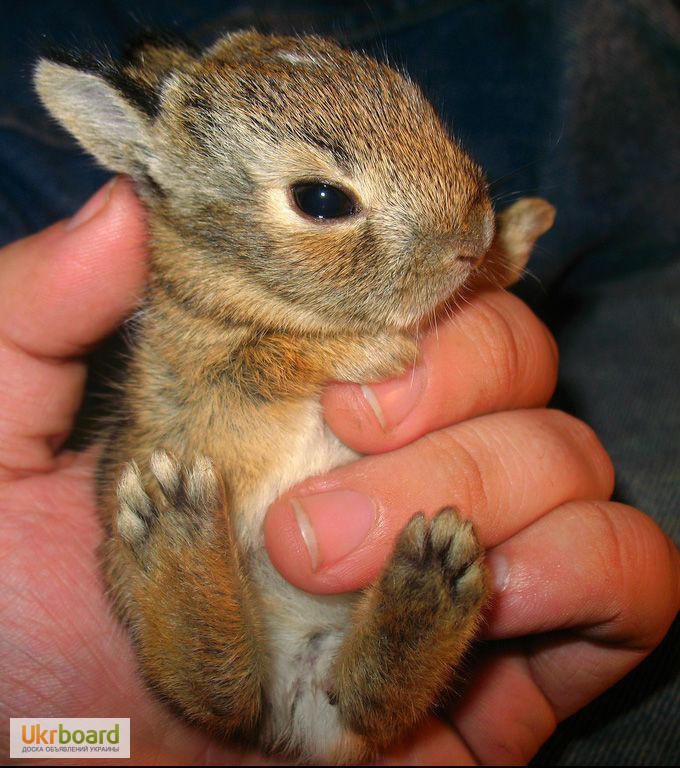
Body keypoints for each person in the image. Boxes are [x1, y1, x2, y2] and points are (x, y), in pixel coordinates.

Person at [1, 1, 678, 764]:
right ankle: (197, 593)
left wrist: (487, 268)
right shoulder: (196, 316)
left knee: (354, 717)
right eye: (324, 202)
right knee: (219, 666)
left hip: (346, 648)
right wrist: (35, 744)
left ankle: (396, 651)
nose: (465, 227)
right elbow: (213, 397)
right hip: (218, 625)